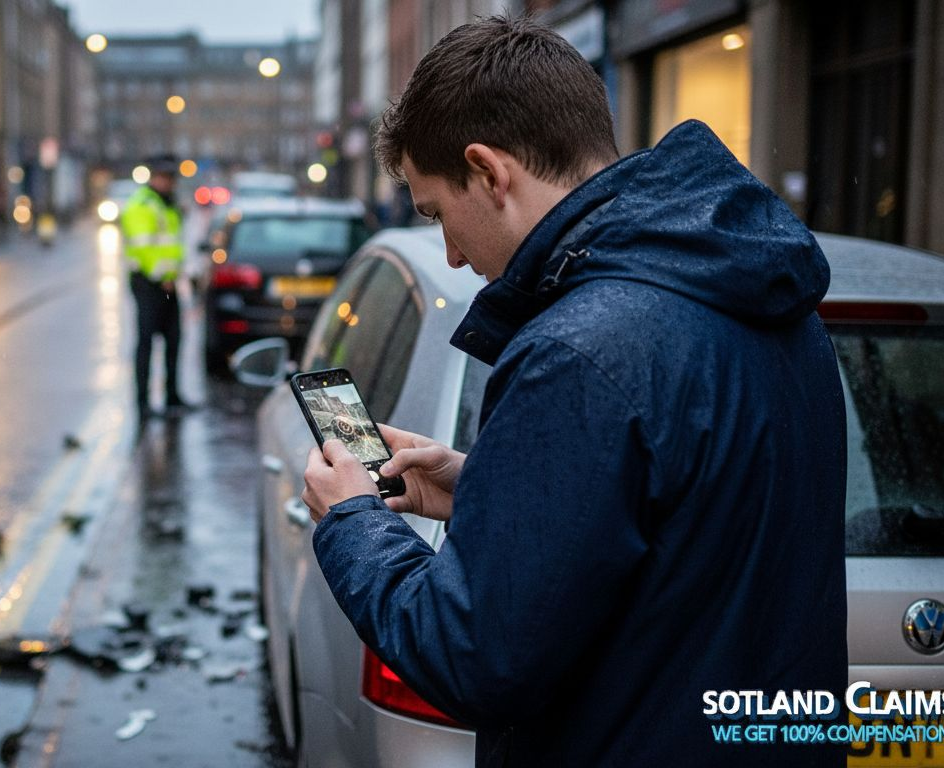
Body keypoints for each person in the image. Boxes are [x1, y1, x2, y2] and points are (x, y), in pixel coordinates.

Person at [301, 16, 846, 768]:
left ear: (489, 172)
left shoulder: (575, 353)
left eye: (437, 214)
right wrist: (488, 487)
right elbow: (699, 528)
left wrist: (353, 520)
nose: (453, 255)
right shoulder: (762, 295)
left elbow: (472, 657)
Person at [119, 153, 192, 419]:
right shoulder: (142, 205)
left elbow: (172, 244)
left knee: (174, 340)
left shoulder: (167, 205)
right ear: (154, 177)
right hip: (149, 283)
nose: (168, 182)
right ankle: (143, 404)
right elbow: (143, 248)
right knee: (146, 343)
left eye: (171, 178)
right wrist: (164, 276)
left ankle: (173, 397)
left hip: (168, 284)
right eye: (164, 177)